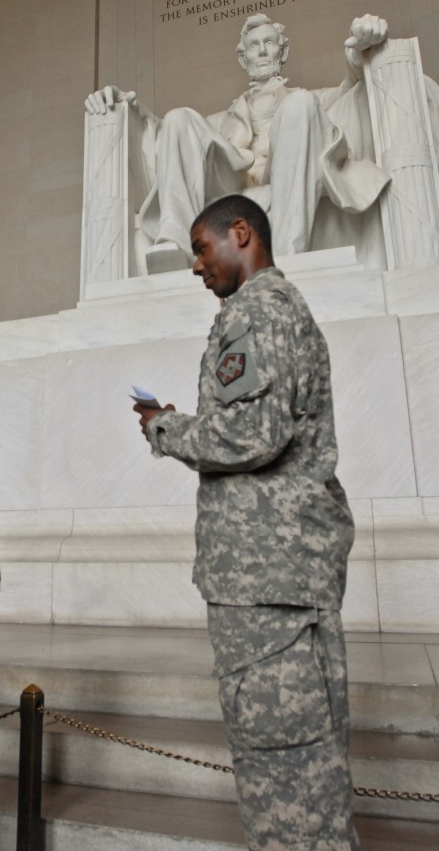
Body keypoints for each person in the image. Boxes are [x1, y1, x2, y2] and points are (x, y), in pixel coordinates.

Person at [133, 195, 359, 850]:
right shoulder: (273, 311)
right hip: (270, 581)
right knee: (290, 777)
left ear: (242, 234)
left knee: (292, 788)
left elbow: (253, 433)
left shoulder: (256, 311)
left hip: (271, 584)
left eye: (202, 249)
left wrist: (165, 428)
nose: (197, 266)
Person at [85, 13, 390, 270]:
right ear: (243, 58)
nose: (261, 52)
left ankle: (286, 257)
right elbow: (164, 137)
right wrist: (126, 108)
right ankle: (176, 241)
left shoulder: (310, 101)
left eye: (268, 44)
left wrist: (358, 52)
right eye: (253, 46)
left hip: (282, 177)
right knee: (179, 117)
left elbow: (351, 88)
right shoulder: (221, 121)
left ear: (281, 53)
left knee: (298, 103)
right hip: (232, 180)